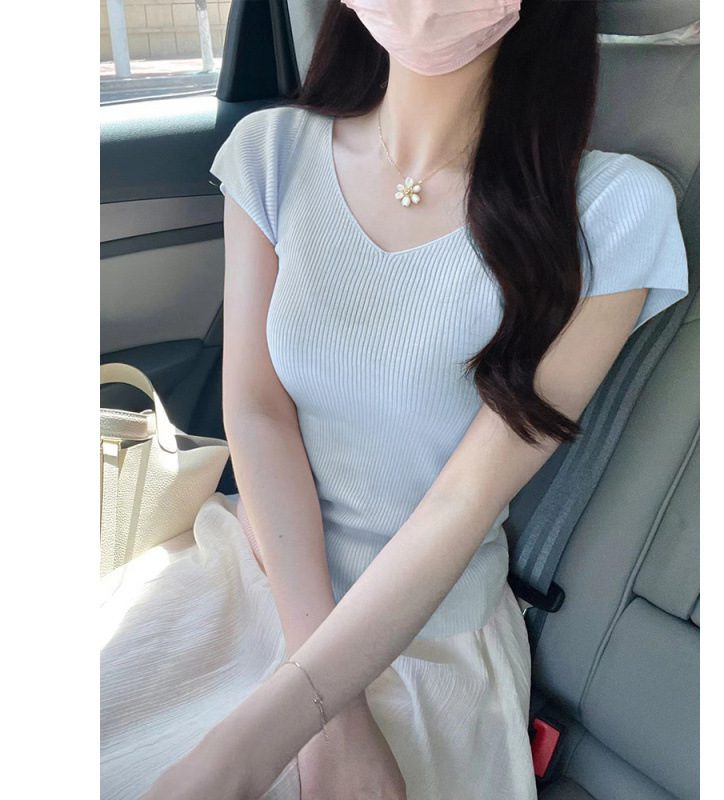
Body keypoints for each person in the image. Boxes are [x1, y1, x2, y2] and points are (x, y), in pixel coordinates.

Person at [100, 2, 689, 799]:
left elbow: (465, 498)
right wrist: (325, 718)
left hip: (427, 636)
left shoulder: (612, 208)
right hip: (256, 569)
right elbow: (259, 413)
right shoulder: (273, 152)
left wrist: (262, 737)